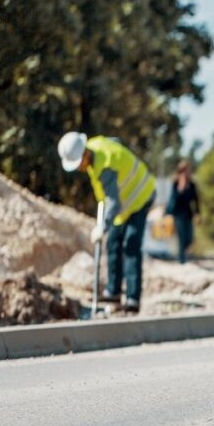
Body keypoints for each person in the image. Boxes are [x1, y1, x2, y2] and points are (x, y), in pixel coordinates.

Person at [58, 132, 156, 313]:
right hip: (125, 206)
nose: (79, 168)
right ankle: (114, 293)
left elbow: (114, 202)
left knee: (131, 244)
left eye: (78, 163)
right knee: (113, 243)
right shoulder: (95, 147)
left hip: (140, 196)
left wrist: (103, 225)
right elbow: (116, 142)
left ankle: (133, 299)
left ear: (85, 155)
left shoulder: (105, 166)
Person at [166, 159, 199, 264]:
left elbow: (196, 199)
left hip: (188, 214)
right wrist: (180, 189)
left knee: (189, 237)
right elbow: (173, 199)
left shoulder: (192, 184)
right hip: (178, 214)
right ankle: (181, 260)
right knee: (181, 237)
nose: (187, 173)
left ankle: (183, 256)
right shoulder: (175, 184)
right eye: (184, 170)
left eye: (188, 170)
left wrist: (198, 212)